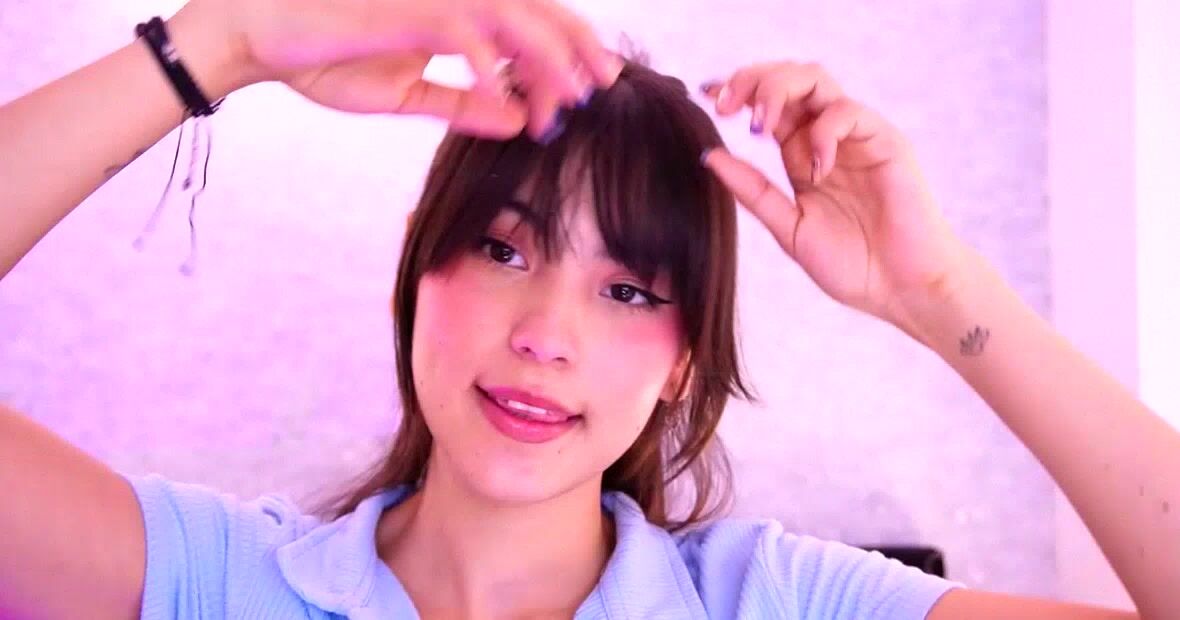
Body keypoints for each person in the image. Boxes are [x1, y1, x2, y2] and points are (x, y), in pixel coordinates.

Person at [0, 0, 1175, 618]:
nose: (544, 335)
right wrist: (222, 40)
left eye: (626, 289)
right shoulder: (218, 582)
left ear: (682, 359)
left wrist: (939, 293)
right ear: (419, 269)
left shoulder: (771, 602)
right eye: (503, 248)